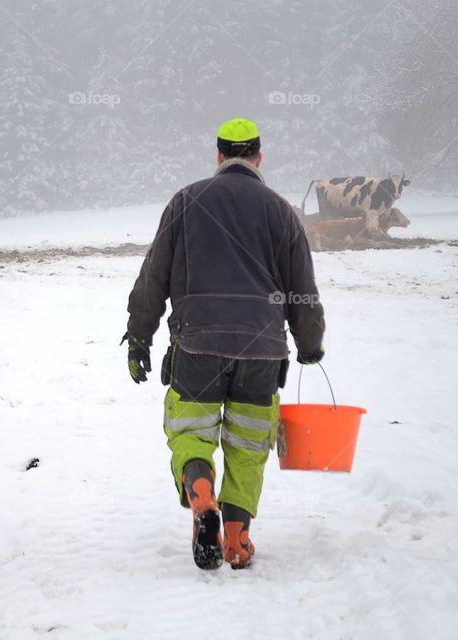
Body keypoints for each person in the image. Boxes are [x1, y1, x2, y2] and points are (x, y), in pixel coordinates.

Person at [123, 118, 325, 570]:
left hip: (197, 344)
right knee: (248, 446)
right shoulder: (280, 211)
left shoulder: (186, 201)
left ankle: (201, 498)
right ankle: (236, 540)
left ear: (218, 156)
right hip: (262, 350)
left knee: (191, 435)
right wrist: (310, 343)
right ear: (258, 157)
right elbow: (302, 289)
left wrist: (139, 337)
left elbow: (153, 275)